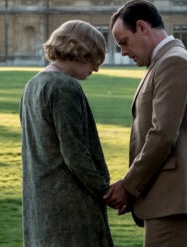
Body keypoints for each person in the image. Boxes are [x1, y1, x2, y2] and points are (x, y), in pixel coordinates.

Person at [103, 0, 187, 246]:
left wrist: (129, 185)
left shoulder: (173, 62)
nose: (123, 51)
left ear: (142, 27)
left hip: (175, 201)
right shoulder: (165, 61)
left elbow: (163, 134)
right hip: (169, 200)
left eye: (124, 41)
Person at [20, 20, 114, 246]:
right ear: (80, 51)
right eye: (95, 58)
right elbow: (74, 151)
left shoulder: (32, 85)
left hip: (41, 202)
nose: (96, 68)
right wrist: (104, 190)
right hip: (71, 206)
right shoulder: (64, 87)